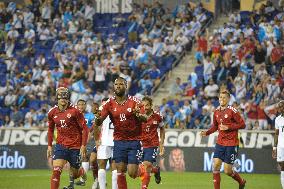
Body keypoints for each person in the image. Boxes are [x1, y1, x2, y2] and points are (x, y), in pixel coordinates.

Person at [94, 77, 147, 189]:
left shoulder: (135, 101)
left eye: (121, 84)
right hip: (118, 141)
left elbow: (145, 118)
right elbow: (99, 121)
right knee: (120, 171)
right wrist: (97, 117)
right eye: (116, 84)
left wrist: (139, 115)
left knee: (132, 173)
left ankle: (144, 169)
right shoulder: (109, 103)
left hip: (134, 141)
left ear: (126, 86)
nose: (118, 86)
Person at [200, 90, 246, 189]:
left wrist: (229, 127)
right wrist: (207, 132)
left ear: (228, 99)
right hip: (220, 142)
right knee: (216, 165)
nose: (222, 99)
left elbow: (242, 124)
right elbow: (215, 126)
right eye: (220, 97)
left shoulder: (233, 111)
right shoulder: (216, 111)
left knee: (227, 171)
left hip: (232, 143)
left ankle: (241, 181)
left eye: (224, 97)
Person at [47, 87, 89, 189]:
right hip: (61, 145)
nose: (63, 98)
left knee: (75, 174)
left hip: (75, 146)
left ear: (68, 98)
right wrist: (49, 146)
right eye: (61, 96)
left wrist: (83, 145)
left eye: (65, 96)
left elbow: (85, 129)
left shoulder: (75, 111)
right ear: (57, 98)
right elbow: (50, 130)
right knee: (56, 170)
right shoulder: (52, 112)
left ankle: (81, 172)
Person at [70, 99, 98, 188]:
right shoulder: (74, 115)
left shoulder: (90, 116)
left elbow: (94, 128)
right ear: (77, 106)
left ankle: (88, 180)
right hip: (78, 141)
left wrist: (88, 139)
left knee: (89, 159)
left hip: (89, 140)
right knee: (83, 159)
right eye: (79, 104)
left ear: (86, 106)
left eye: (83, 104)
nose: (81, 106)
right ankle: (85, 180)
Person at [139, 96, 165, 189]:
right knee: (136, 170)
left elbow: (162, 128)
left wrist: (161, 143)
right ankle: (156, 170)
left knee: (147, 165)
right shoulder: (138, 115)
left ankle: (144, 187)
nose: (145, 108)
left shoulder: (157, 116)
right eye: (143, 105)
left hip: (152, 144)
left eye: (147, 105)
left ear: (151, 106)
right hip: (139, 144)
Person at [94, 98, 117, 189]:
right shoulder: (119, 107)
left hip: (104, 140)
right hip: (116, 140)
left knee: (102, 165)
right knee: (115, 168)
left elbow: (96, 125)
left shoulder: (102, 108)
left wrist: (96, 140)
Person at [272, 100, 284, 188]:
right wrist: (274, 148)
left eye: (282, 106)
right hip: (280, 146)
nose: (280, 108)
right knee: (282, 167)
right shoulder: (278, 119)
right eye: (279, 107)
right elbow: (276, 134)